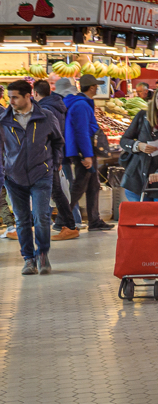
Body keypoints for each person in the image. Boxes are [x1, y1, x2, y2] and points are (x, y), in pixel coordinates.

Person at [1, 79, 63, 274]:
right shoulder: (4, 120)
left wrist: (53, 164)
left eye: (15, 97)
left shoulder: (46, 116)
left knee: (42, 217)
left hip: (41, 175)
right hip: (14, 177)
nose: (10, 101)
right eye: (9, 97)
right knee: (22, 220)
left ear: (28, 96)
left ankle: (42, 254)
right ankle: (28, 259)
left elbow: (58, 142)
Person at [63, 74, 115, 232]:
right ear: (91, 87)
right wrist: (86, 155)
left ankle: (94, 220)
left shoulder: (82, 103)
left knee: (93, 185)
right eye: (96, 85)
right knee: (78, 186)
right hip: (82, 152)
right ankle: (62, 220)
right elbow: (81, 132)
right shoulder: (81, 105)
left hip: (84, 150)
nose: (98, 88)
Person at [33, 78, 82, 240]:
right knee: (56, 191)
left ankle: (70, 225)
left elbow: (50, 136)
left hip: (48, 157)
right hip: (53, 156)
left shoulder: (46, 109)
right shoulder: (56, 105)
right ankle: (67, 224)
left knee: (56, 192)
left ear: (35, 93)